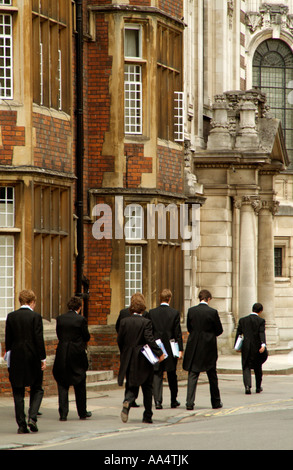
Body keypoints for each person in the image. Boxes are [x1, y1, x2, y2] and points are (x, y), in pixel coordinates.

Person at [117, 293, 165, 424]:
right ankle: (147, 415)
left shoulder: (124, 322)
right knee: (147, 387)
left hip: (128, 357)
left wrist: (125, 353)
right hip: (143, 357)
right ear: (143, 307)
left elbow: (119, 340)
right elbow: (150, 339)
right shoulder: (146, 322)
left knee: (132, 384)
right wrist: (160, 353)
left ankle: (127, 401)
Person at [5, 290, 46, 434]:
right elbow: (38, 339)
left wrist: (8, 355)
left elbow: (8, 340)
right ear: (32, 302)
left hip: (16, 356)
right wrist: (43, 358)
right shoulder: (36, 317)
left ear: (20, 301)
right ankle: (32, 418)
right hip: (32, 356)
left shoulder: (11, 316)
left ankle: (21, 425)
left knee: (18, 391)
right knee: (37, 388)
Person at [183, 289, 223, 410]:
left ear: (199, 298)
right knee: (212, 375)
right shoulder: (213, 312)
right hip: (209, 347)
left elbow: (189, 327)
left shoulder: (191, 311)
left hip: (194, 346)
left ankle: (189, 403)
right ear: (208, 299)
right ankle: (215, 402)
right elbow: (219, 330)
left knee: (193, 374)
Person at [53, 296, 91, 421]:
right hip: (77, 353)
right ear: (79, 307)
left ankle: (63, 414)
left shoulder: (60, 319)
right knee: (80, 383)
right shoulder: (81, 319)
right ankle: (82, 412)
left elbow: (59, 335)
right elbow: (86, 336)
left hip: (62, 352)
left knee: (62, 383)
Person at [146, 289, 183, 409]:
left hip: (157, 348)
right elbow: (177, 334)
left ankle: (157, 401)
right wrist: (180, 349)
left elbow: (150, 332)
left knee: (157, 374)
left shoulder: (152, 313)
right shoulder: (174, 313)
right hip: (171, 348)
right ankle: (173, 400)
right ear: (170, 299)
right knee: (172, 374)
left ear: (159, 298)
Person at [115, 293, 148, 409]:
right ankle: (133, 401)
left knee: (130, 377)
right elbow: (148, 334)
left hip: (127, 351)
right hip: (141, 352)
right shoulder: (145, 316)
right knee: (142, 378)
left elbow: (118, 330)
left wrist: (124, 349)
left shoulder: (123, 313)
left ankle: (129, 399)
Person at [234, 302, 267, 394]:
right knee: (258, 367)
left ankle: (247, 387)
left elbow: (239, 334)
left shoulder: (243, 320)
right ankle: (258, 387)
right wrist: (263, 344)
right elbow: (261, 333)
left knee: (246, 367)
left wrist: (237, 346)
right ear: (260, 311)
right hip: (256, 347)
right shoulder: (261, 321)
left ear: (252, 309)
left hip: (246, 347)